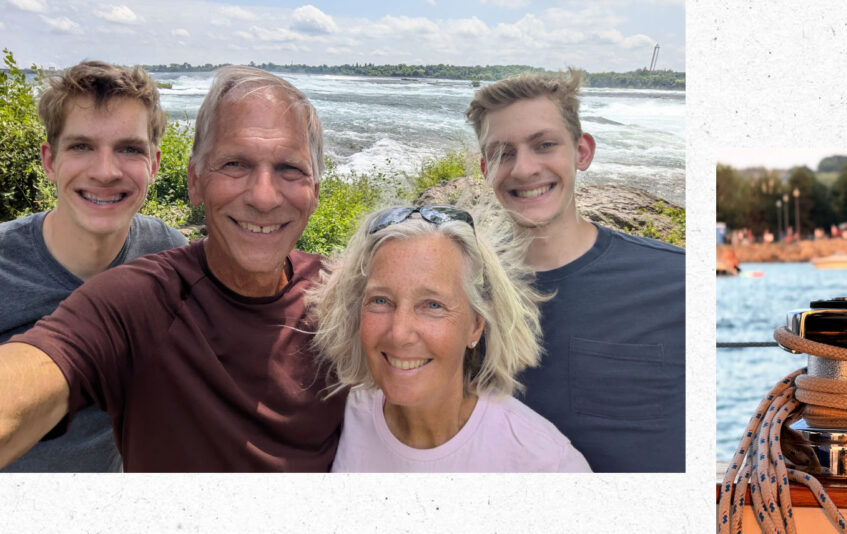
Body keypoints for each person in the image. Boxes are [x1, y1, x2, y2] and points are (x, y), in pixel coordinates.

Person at [0, 66, 344, 472]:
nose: (106, 172)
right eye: (235, 163)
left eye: (290, 168)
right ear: (195, 181)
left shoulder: (341, 296)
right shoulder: (137, 293)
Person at [465, 69, 685, 472]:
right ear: (485, 168)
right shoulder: (463, 289)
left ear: (582, 152)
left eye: (544, 145)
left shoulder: (678, 283)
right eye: (503, 153)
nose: (524, 169)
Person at [0, 61, 188, 472]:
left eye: (129, 149)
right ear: (50, 161)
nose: (105, 171)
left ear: (153, 165)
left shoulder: (168, 256)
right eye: (81, 146)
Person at [308, 205, 590, 472]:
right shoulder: (347, 411)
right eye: (381, 300)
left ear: (475, 327)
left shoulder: (547, 466)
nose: (399, 333)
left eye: (432, 305)